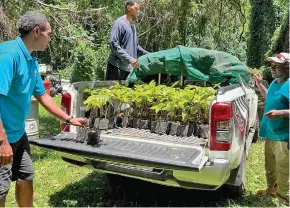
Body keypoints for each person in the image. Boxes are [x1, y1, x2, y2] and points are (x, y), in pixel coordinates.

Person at [0, 11, 86, 207]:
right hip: (2, 137)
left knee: (26, 176)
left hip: (18, 134)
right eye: (49, 34)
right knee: (0, 190)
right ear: (36, 31)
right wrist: (2, 142)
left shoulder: (31, 60)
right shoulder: (8, 56)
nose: (50, 39)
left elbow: (44, 96)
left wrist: (69, 119)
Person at [253, 52, 289, 206]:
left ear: (287, 67)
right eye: (272, 65)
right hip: (270, 133)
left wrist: (280, 113)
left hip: (283, 136)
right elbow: (270, 97)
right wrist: (260, 84)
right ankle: (272, 189)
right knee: (270, 166)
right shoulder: (275, 82)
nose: (273, 68)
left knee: (283, 170)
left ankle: (285, 200)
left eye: (277, 66)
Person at [107, 0, 149, 81]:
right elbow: (114, 44)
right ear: (129, 7)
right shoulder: (119, 23)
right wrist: (129, 59)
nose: (138, 11)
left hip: (128, 69)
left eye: (139, 9)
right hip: (116, 67)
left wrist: (149, 54)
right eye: (136, 8)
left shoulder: (132, 27)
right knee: (112, 92)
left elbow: (136, 47)